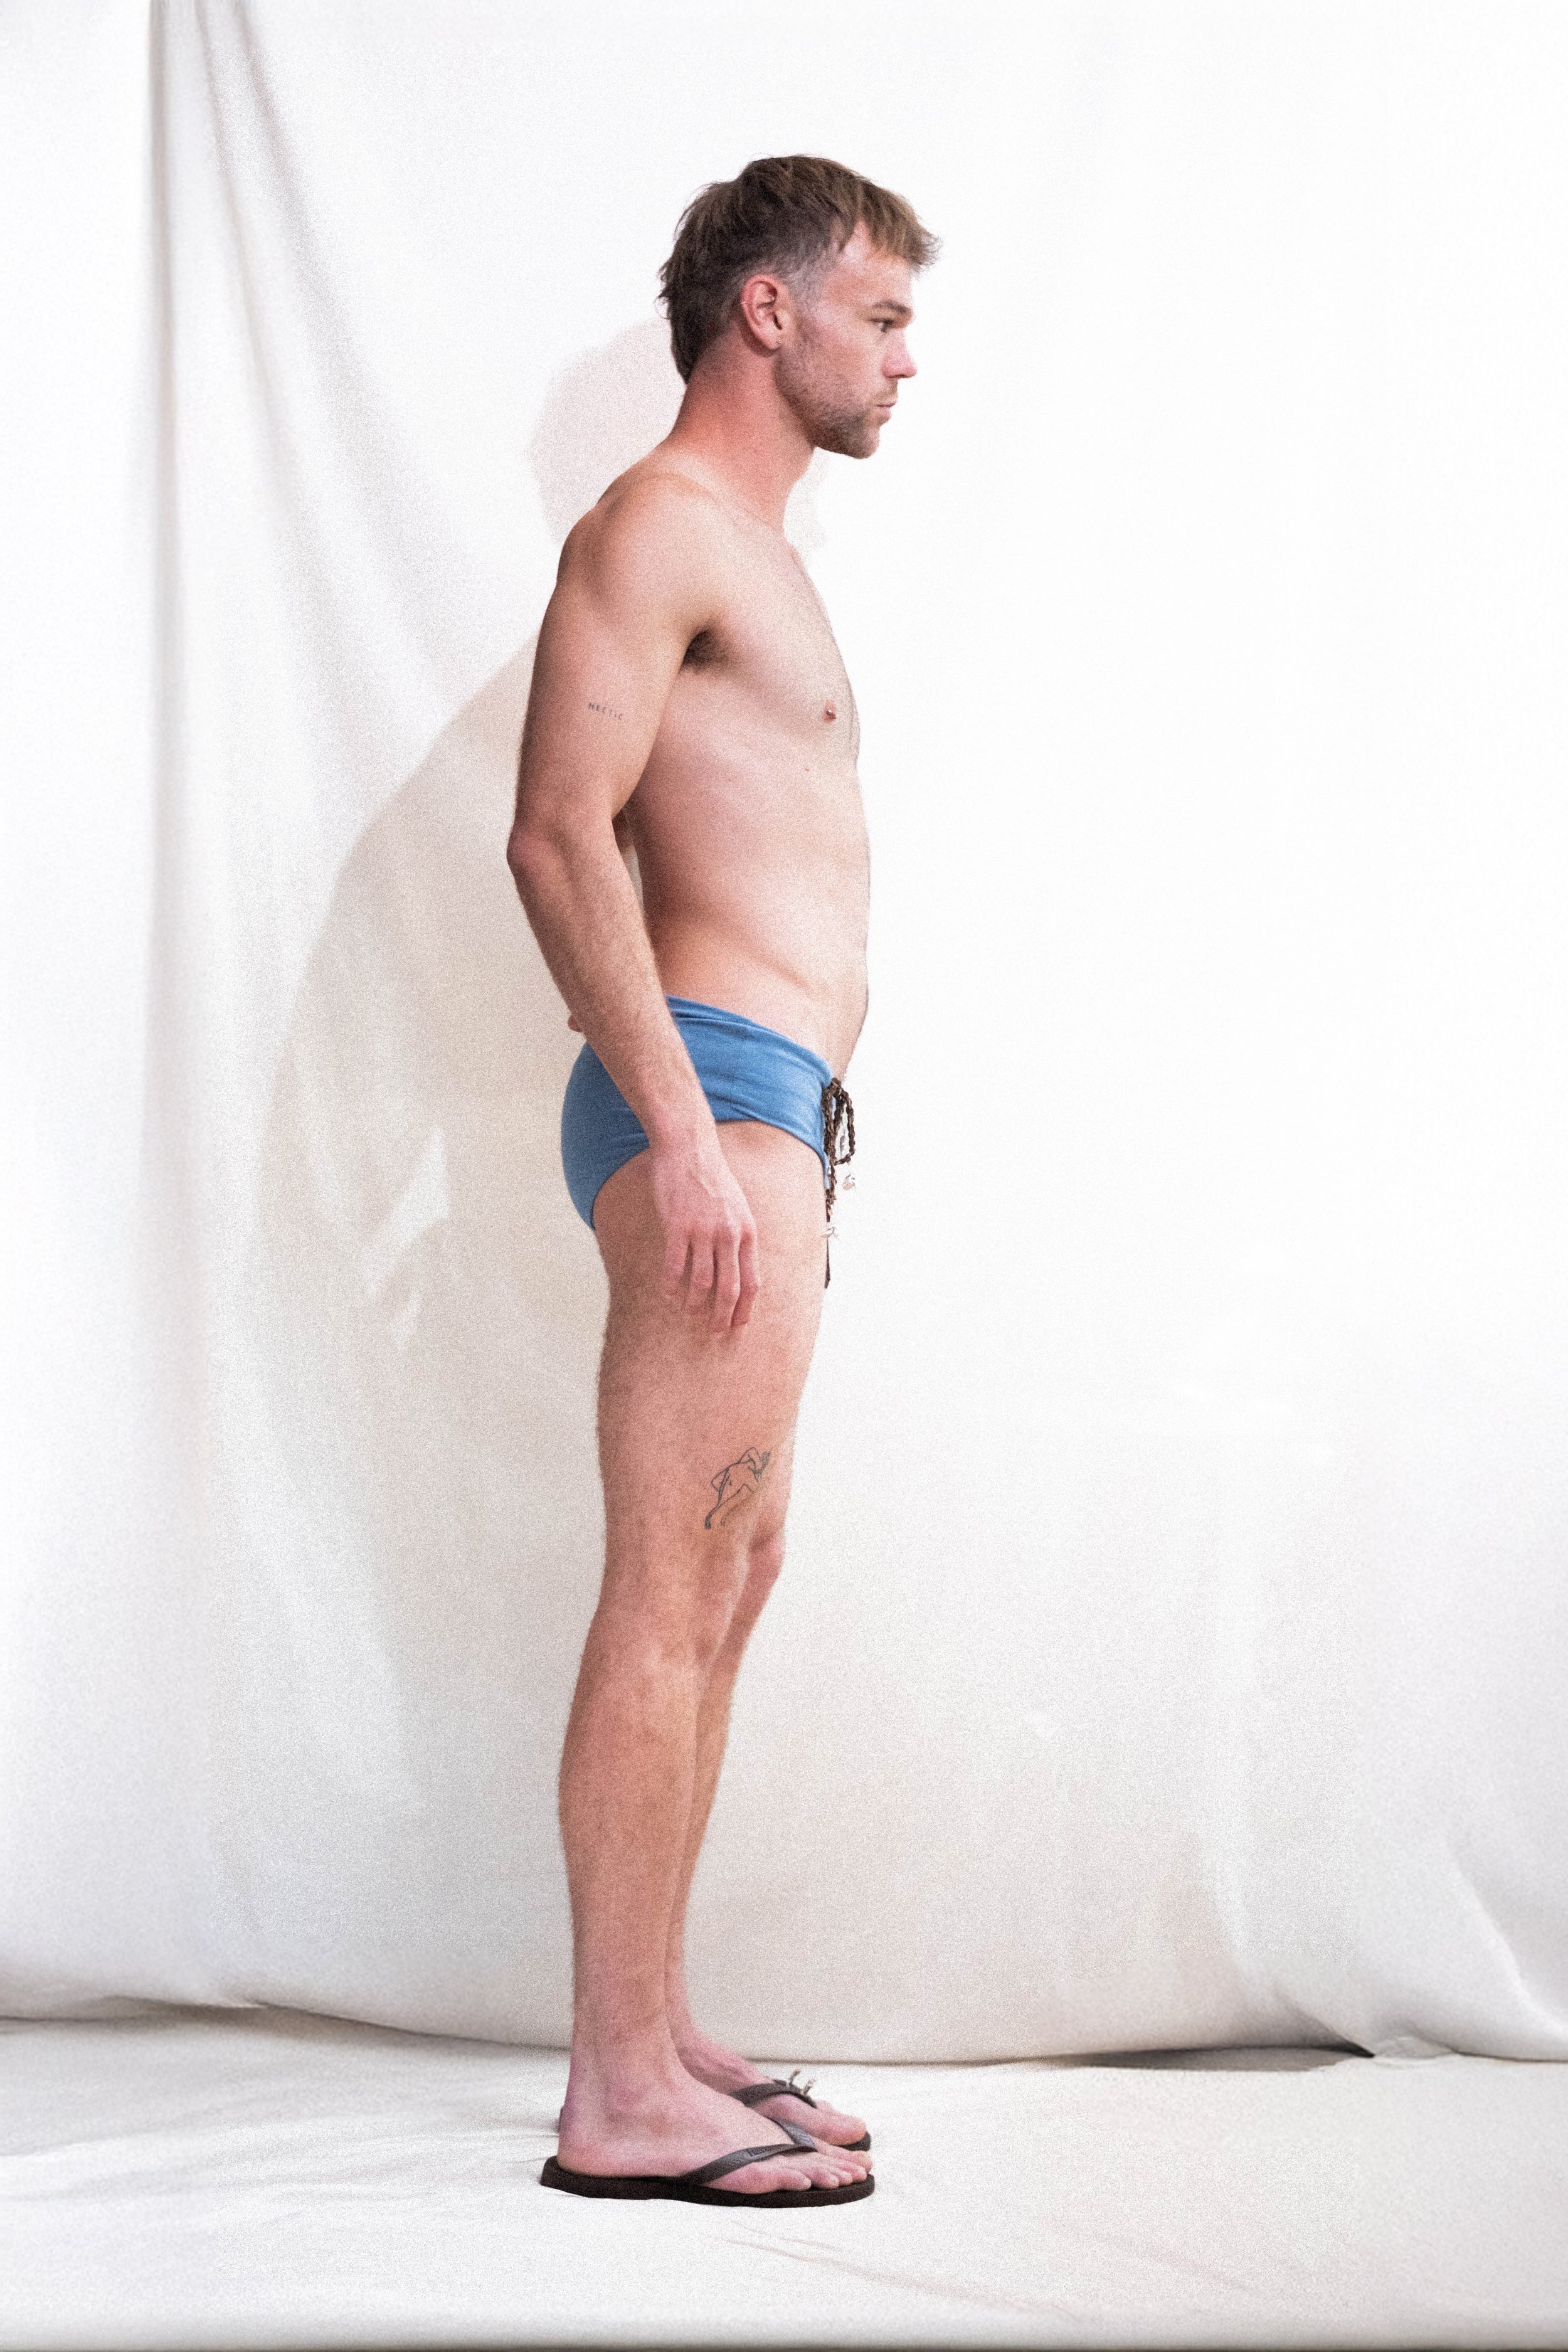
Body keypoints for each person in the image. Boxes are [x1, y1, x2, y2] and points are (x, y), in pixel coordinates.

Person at [507, 155, 937, 2208]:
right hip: (711, 1094)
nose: (903, 359)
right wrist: (681, 1124)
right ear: (768, 310)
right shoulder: (658, 525)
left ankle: (659, 2028)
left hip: (765, 1104)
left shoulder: (748, 554)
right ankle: (615, 2099)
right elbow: (554, 833)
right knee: (670, 1584)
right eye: (881, 316)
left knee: (731, 1573)